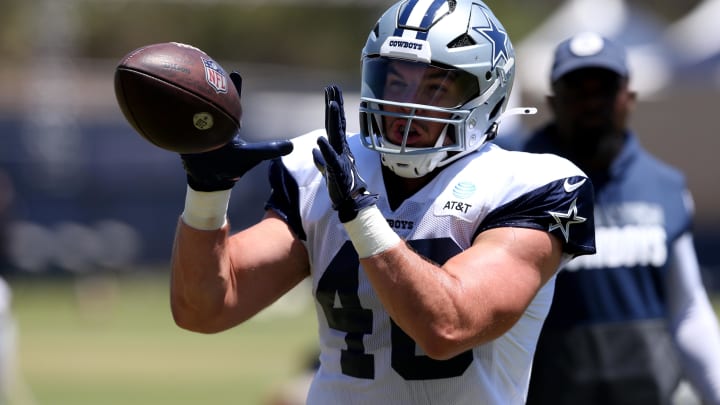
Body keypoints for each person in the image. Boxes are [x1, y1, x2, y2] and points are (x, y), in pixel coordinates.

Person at [170, 1, 596, 404]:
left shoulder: (531, 184)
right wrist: (207, 194)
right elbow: (204, 309)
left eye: (436, 86)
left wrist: (360, 214)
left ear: (488, 95)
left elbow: (448, 326)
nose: (406, 104)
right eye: (396, 81)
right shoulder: (322, 166)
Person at [518, 32, 720, 405]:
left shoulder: (666, 186)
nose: (592, 102)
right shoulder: (516, 182)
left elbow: (688, 310)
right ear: (552, 101)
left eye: (605, 88)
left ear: (629, 97)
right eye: (577, 90)